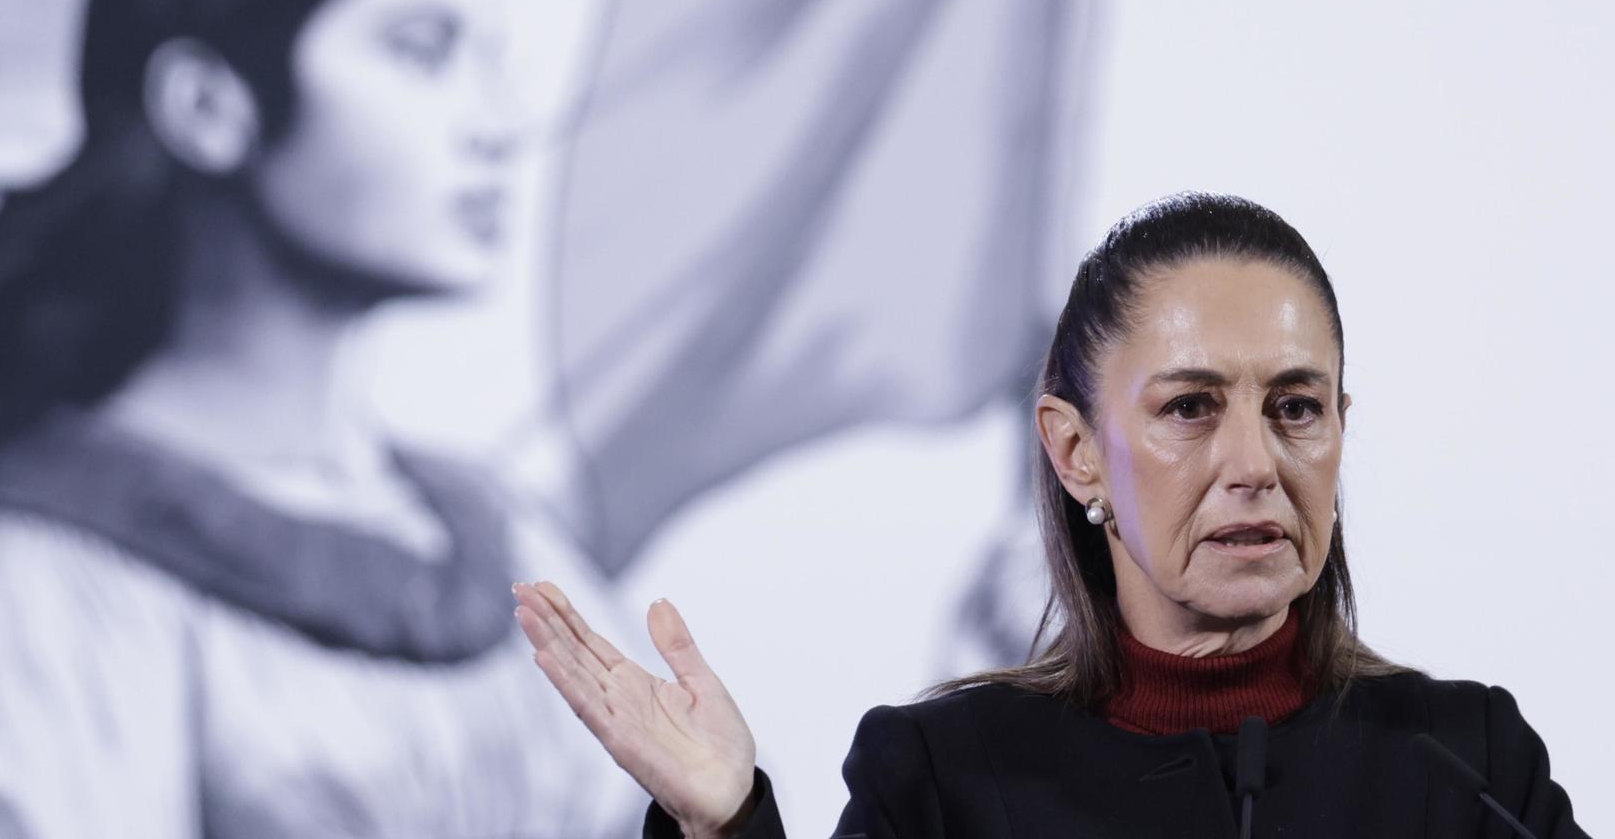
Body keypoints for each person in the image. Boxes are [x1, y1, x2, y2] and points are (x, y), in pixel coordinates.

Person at [0, 0, 650, 837]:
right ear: (207, 104)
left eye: (490, 61)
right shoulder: (29, 575)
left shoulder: (502, 544)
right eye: (421, 49)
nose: (497, 123)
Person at [518, 192, 1592, 838]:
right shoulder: (943, 775)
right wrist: (726, 824)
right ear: (1077, 451)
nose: (1255, 464)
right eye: (1190, 406)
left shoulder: (1469, 763)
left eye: (1297, 407)